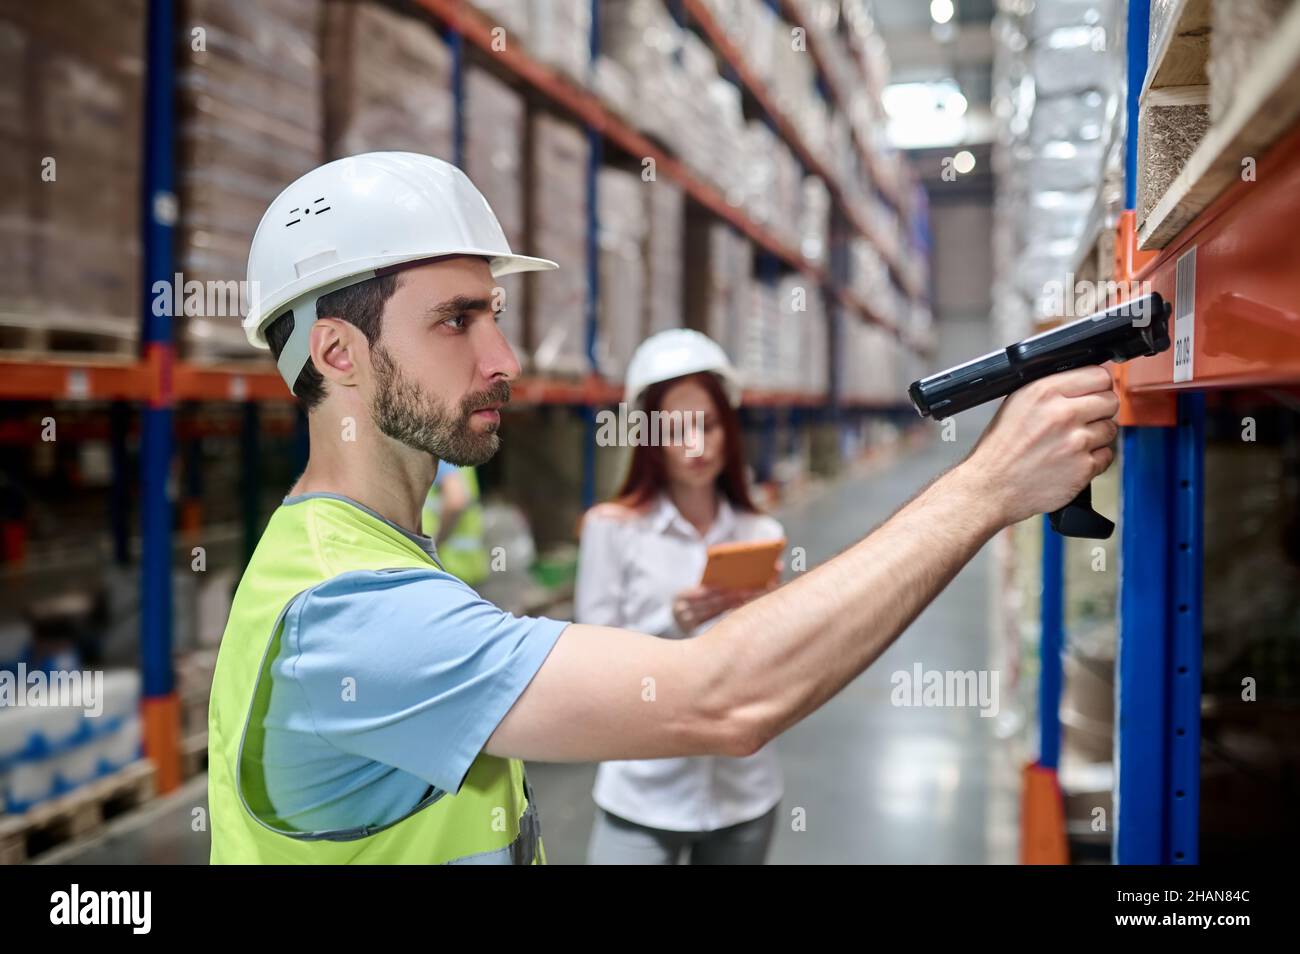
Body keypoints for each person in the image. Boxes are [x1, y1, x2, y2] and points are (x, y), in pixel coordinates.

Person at [208, 152, 1120, 864]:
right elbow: (721, 700)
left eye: (495, 313)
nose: (506, 359)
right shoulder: (346, 612)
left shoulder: (360, 552)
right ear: (337, 354)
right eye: (457, 321)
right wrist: (988, 485)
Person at [577, 330, 785, 864]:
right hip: (644, 790)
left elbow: (777, 672)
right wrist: (670, 619)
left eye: (710, 426)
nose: (696, 446)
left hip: (743, 791)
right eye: (678, 429)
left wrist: (779, 613)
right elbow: (588, 663)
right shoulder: (612, 529)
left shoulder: (762, 531)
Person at [422, 463, 489, 586]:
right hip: (467, 565)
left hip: (446, 565)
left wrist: (431, 548)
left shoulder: (440, 455)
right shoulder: (462, 455)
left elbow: (456, 501)